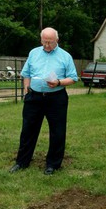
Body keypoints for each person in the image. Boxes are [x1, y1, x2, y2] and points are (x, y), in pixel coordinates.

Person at [9, 27, 78, 175]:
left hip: (56, 97)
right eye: (44, 42)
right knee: (28, 130)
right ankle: (22, 162)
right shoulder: (33, 53)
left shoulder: (65, 56)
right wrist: (26, 88)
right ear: (41, 40)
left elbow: (73, 78)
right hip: (34, 97)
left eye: (50, 42)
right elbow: (26, 73)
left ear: (57, 40)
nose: (47, 45)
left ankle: (53, 164)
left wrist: (59, 82)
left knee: (57, 131)